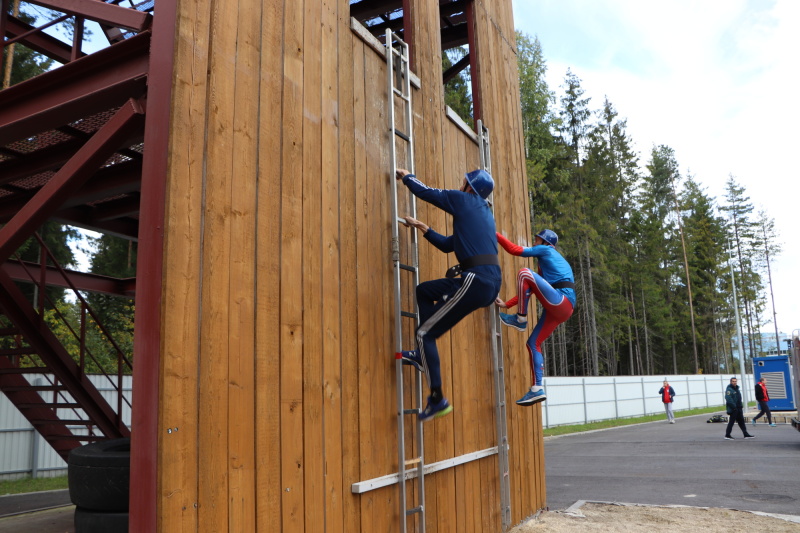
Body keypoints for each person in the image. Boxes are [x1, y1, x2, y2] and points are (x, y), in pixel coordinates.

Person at [395, 168, 502, 422]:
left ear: (470, 186)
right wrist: (422, 227)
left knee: (424, 333)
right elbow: (447, 245)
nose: (460, 181)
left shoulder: (464, 199)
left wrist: (408, 176)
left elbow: (426, 193)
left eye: (464, 179)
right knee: (424, 291)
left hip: (476, 280)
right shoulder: (481, 215)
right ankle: (423, 354)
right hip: (485, 283)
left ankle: (437, 398)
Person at [494, 229, 575, 405]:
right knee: (533, 343)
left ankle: (520, 320)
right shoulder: (545, 266)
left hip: (561, 301)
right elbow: (528, 289)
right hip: (562, 309)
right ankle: (537, 388)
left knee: (524, 272)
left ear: (546, 242)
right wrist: (507, 304)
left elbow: (514, 250)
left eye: (537, 240)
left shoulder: (547, 250)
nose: (535, 242)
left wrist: (494, 233)